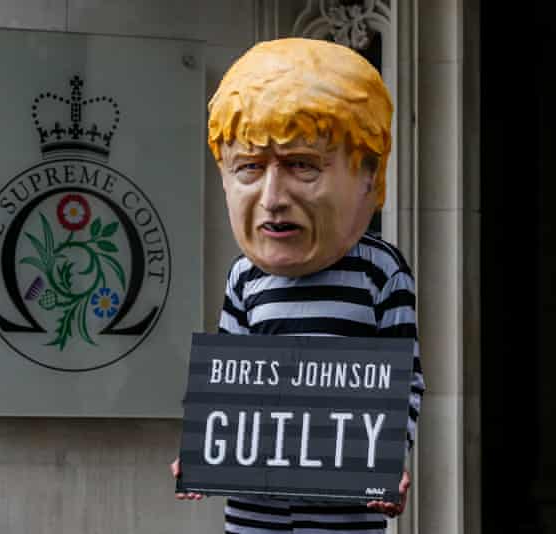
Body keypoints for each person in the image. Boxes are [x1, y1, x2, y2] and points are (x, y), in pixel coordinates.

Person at [171, 37, 425, 533]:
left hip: (342, 515)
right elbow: (228, 375)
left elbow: (405, 382)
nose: (272, 198)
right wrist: (202, 445)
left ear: (370, 176)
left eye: (301, 165)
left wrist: (391, 455)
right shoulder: (244, 276)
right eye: (249, 167)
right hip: (254, 514)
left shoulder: (381, 273)